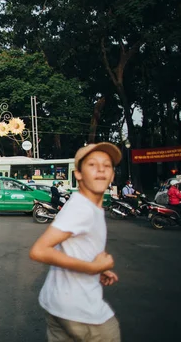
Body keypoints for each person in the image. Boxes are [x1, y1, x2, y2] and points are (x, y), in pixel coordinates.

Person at [29, 142, 122, 341]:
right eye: (92, 165)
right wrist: (90, 267)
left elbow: (73, 246)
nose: (100, 170)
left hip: (57, 304)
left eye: (107, 165)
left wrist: (98, 268)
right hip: (81, 310)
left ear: (113, 175)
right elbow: (39, 250)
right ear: (78, 174)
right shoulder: (82, 208)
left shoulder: (86, 205)